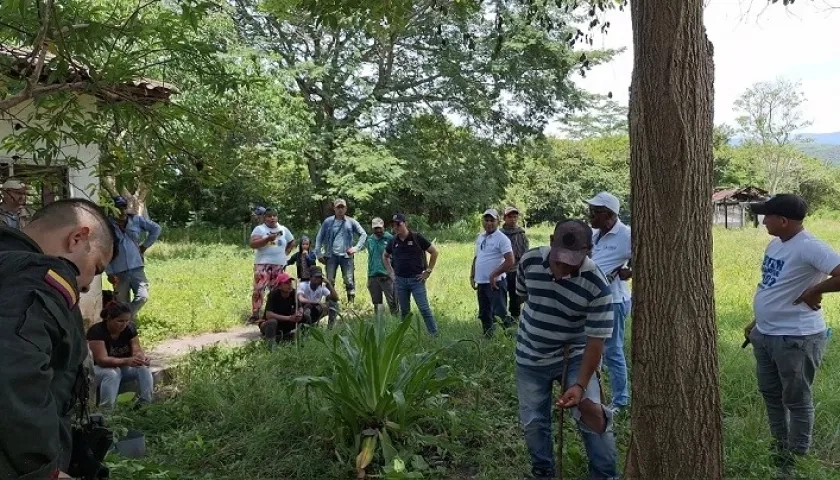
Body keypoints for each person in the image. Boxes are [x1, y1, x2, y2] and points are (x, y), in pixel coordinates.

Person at [0, 199, 117, 479]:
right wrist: (45, 470)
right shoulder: (38, 280)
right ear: (77, 238)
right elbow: (12, 372)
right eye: (97, 267)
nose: (89, 283)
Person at [515, 220, 617, 480]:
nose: (561, 270)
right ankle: (543, 471)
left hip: (576, 355)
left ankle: (605, 475)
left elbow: (596, 342)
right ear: (551, 242)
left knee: (591, 412)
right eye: (559, 260)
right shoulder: (529, 262)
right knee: (533, 421)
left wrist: (580, 386)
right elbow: (524, 296)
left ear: (588, 251)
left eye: (571, 263)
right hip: (530, 354)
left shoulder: (597, 285)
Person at [744, 194, 840, 471]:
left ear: (784, 221)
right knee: (771, 394)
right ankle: (780, 450)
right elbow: (774, 287)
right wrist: (757, 320)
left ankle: (796, 460)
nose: (763, 221)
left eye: (768, 216)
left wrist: (815, 289)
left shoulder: (809, 247)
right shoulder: (776, 245)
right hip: (765, 334)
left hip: (796, 338)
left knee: (796, 400)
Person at [586, 192, 632, 413]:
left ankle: (621, 401)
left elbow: (646, 259)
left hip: (614, 301)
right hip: (592, 301)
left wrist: (629, 272)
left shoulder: (626, 235)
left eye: (594, 212)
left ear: (608, 215)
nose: (590, 215)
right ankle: (596, 393)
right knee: (594, 349)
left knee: (613, 350)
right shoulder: (594, 235)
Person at [87, 301, 154, 410]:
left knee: (143, 369)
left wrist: (141, 358)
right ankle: (107, 412)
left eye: (127, 321)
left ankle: (146, 405)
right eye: (120, 321)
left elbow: (136, 349)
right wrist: (127, 361)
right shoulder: (97, 331)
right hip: (97, 371)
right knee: (112, 373)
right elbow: (101, 360)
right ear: (108, 318)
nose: (124, 324)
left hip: (121, 367)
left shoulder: (129, 328)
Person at [105, 195, 162, 316]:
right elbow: (104, 249)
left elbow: (156, 228)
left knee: (143, 296)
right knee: (121, 302)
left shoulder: (136, 220)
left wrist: (145, 246)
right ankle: (126, 328)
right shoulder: (107, 225)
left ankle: (127, 315)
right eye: (118, 208)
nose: (121, 211)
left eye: (123, 207)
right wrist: (109, 272)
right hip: (118, 271)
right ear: (112, 209)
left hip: (136, 267)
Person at [384, 214, 439, 336]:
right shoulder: (393, 241)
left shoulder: (416, 237)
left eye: (398, 224)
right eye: (394, 225)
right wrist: (390, 273)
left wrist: (428, 271)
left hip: (416, 279)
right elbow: (385, 256)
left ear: (405, 223)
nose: (396, 227)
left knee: (424, 309)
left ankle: (434, 334)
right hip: (400, 280)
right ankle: (403, 335)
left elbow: (434, 252)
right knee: (404, 311)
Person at [314, 198, 367, 303]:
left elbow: (363, 234)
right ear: (334, 208)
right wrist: (319, 253)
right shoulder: (328, 222)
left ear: (346, 208)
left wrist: (356, 248)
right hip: (331, 255)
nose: (340, 209)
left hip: (346, 256)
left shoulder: (351, 222)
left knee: (349, 280)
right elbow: (319, 237)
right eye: (338, 207)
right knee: (330, 280)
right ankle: (330, 302)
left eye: (342, 207)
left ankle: (351, 303)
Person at [471, 208, 514, 336]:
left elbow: (510, 261)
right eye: (486, 220)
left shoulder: (502, 239)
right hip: (482, 282)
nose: (489, 223)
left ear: (498, 222)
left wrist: (494, 274)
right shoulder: (480, 237)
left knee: (500, 313)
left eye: (492, 220)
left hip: (496, 283)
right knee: (484, 313)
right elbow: (477, 257)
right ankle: (488, 336)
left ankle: (510, 336)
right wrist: (472, 274)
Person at [248, 208, 295, 322]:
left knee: (277, 290)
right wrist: (267, 239)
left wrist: (286, 252)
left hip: (279, 264)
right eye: (269, 216)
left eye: (274, 215)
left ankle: (273, 313)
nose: (272, 218)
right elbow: (253, 244)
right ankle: (255, 314)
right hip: (262, 263)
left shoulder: (283, 229)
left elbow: (292, 241)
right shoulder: (260, 229)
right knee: (259, 289)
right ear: (264, 218)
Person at [363, 217, 398, 319]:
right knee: (377, 303)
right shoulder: (370, 239)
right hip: (373, 275)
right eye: (375, 228)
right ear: (372, 228)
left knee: (393, 302)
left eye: (380, 228)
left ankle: (396, 322)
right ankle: (379, 323)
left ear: (383, 227)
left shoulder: (390, 238)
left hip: (387, 275)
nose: (378, 230)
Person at [259, 272, 304, 347]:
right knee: (272, 322)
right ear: (279, 286)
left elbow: (300, 307)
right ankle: (270, 346)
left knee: (305, 317)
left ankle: (303, 339)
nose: (289, 285)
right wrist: (289, 318)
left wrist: (300, 313)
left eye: (290, 282)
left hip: (287, 322)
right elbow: (269, 315)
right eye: (286, 283)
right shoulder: (273, 295)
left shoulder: (294, 292)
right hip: (273, 323)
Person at [501, 206, 529, 322]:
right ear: (504, 218)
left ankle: (515, 317)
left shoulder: (521, 234)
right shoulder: (500, 234)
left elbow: (525, 251)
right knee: (500, 295)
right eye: (510, 217)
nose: (513, 219)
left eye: (515, 217)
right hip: (502, 270)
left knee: (515, 295)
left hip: (516, 269)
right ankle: (501, 318)